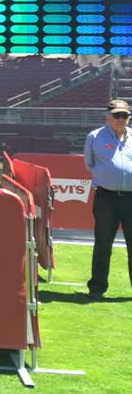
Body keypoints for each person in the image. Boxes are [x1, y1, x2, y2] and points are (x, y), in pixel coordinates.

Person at [83, 98, 132, 300]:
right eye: (117, 115)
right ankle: (97, 288)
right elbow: (89, 164)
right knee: (103, 243)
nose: (121, 119)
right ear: (107, 117)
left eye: (125, 115)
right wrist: (107, 177)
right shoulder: (94, 137)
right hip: (106, 198)